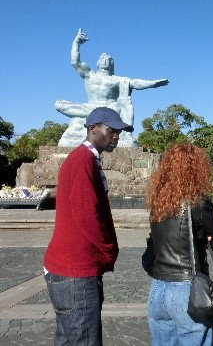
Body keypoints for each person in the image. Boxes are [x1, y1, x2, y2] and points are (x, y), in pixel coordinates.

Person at [43, 107, 133, 345]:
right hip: (76, 272)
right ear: (93, 128)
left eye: (119, 132)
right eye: (111, 130)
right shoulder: (83, 160)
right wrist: (108, 251)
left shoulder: (86, 159)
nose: (116, 136)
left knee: (68, 339)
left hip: (68, 268)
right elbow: (88, 215)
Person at [145, 143, 213, 346]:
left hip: (158, 287)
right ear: (197, 169)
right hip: (187, 287)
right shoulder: (198, 202)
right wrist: (206, 236)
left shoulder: (158, 202)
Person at [56, 28, 169, 146]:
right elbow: (75, 62)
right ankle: (93, 116)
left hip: (110, 109)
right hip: (90, 108)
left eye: (108, 59)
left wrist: (153, 83)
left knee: (125, 100)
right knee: (59, 104)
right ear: (97, 63)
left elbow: (135, 83)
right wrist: (76, 43)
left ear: (112, 64)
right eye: (101, 59)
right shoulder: (89, 75)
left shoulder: (118, 80)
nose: (104, 60)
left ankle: (127, 133)